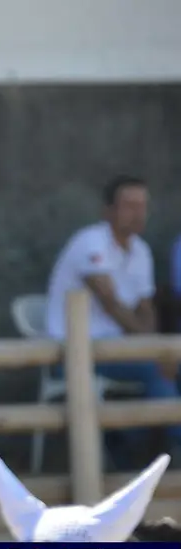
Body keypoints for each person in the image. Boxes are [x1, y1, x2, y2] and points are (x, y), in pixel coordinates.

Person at [44, 174, 181, 448]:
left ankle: (124, 443)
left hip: (118, 349)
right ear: (108, 211)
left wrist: (154, 347)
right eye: (129, 205)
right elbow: (112, 304)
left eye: (143, 206)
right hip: (72, 352)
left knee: (168, 366)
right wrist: (154, 350)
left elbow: (146, 308)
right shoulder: (90, 242)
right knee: (157, 369)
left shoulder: (141, 250)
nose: (138, 213)